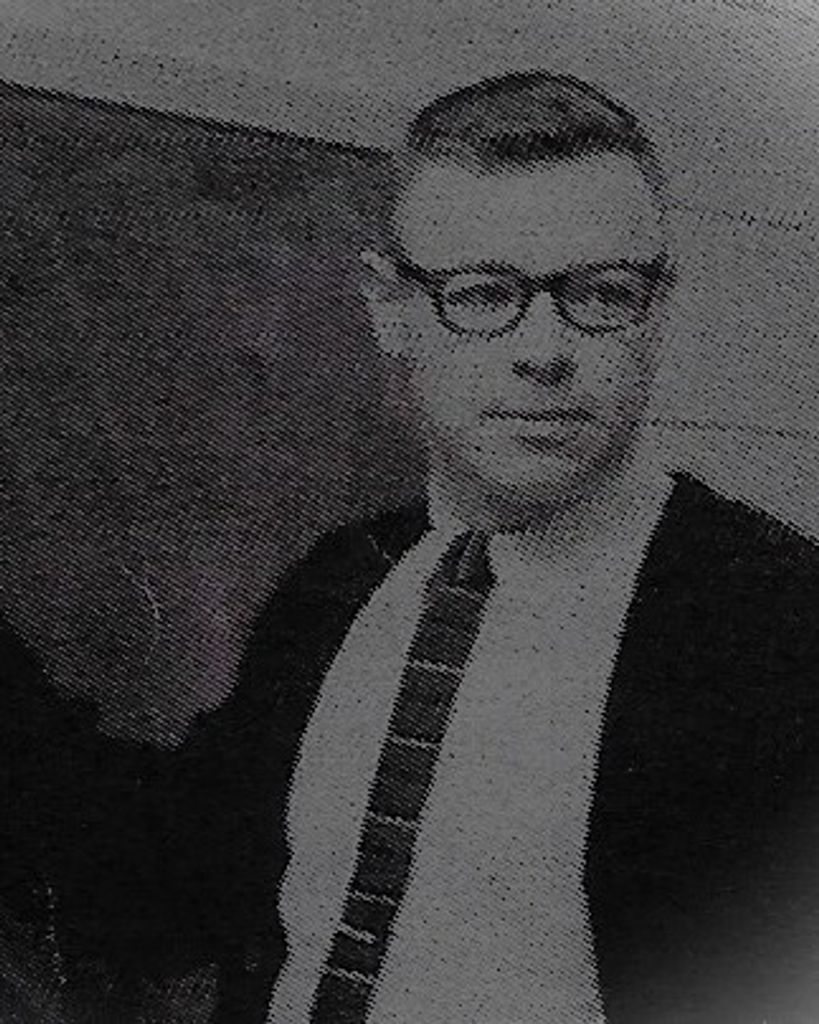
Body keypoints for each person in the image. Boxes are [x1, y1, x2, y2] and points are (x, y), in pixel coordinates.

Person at [190, 70, 819, 1023]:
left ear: (657, 312)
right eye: (483, 294)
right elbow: (175, 865)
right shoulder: (341, 579)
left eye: (601, 294)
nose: (543, 351)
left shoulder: (781, 621)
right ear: (390, 308)